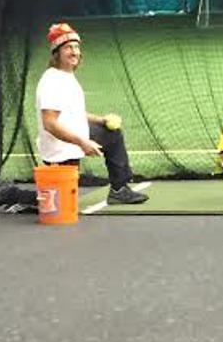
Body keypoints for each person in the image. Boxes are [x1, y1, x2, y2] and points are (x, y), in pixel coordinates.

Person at [36, 22, 148, 205]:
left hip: (76, 137)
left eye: (76, 47)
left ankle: (119, 190)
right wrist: (83, 143)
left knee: (111, 134)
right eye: (68, 48)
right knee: (58, 201)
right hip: (60, 149)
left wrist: (100, 120)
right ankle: (11, 195)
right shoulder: (52, 81)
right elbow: (50, 124)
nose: (74, 52)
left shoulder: (66, 76)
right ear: (57, 53)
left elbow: (74, 112)